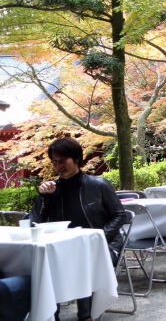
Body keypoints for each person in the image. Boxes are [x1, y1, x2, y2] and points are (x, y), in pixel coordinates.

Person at [29, 137, 127, 321]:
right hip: (64, 248)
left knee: (83, 257)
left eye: (62, 160)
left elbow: (120, 215)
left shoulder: (98, 185)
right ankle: (51, 315)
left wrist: (98, 238)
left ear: (76, 159)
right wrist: (43, 197)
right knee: (46, 262)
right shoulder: (52, 189)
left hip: (103, 246)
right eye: (54, 161)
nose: (58, 166)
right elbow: (35, 221)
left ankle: (86, 316)